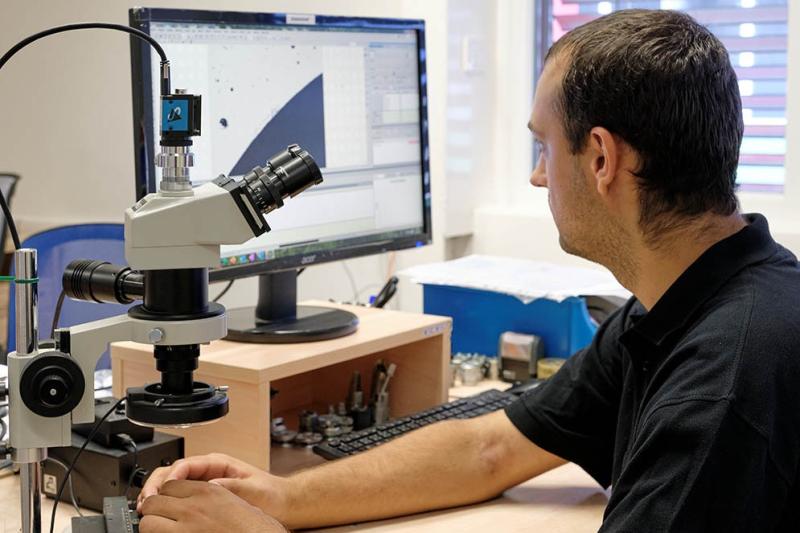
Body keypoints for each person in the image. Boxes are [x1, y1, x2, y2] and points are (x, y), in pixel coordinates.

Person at [136, 9, 800, 532]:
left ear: (601, 159)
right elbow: (491, 449)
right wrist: (282, 498)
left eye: (543, 147)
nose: (536, 176)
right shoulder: (681, 304)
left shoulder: (724, 384)